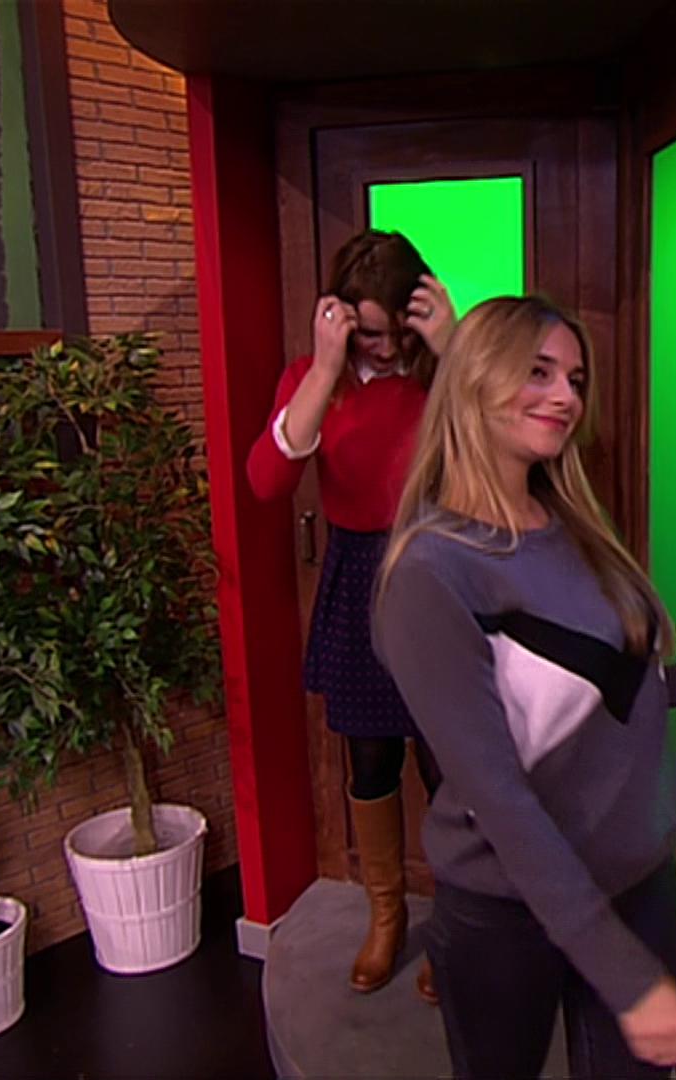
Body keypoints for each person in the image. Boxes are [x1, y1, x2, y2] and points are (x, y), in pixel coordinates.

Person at [371, 296, 676, 1079]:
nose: (565, 396)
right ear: (474, 379)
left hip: (637, 882)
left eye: (575, 379)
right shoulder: (432, 572)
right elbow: (498, 796)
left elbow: (582, 684)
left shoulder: (571, 522)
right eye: (538, 372)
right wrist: (622, 972)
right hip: (508, 907)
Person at [244, 229, 457, 1002]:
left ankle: (453, 925)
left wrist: (455, 348)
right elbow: (267, 481)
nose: (386, 346)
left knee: (447, 765)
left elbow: (513, 442)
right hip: (359, 573)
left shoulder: (444, 371)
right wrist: (329, 366)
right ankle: (386, 917)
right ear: (337, 316)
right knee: (371, 762)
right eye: (368, 331)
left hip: (440, 572)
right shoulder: (316, 378)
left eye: (397, 329)